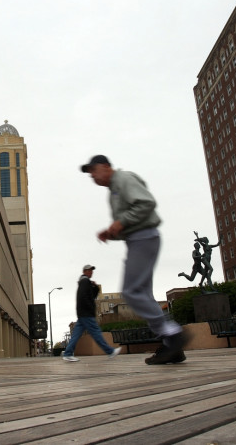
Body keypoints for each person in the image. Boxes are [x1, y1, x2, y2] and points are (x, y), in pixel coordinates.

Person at [81, 155, 185, 365]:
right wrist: (112, 232)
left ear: (106, 166)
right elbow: (129, 222)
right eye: (89, 172)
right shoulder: (113, 192)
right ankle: (171, 347)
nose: (92, 175)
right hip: (139, 238)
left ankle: (172, 334)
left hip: (144, 237)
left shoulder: (123, 179)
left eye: (94, 169)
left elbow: (146, 203)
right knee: (143, 293)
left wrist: (121, 222)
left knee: (132, 291)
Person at [61, 264, 121, 362]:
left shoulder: (85, 282)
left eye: (92, 271)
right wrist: (89, 308)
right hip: (86, 313)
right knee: (96, 332)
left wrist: (95, 287)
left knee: (76, 334)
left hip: (82, 313)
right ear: (84, 271)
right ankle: (110, 351)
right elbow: (83, 297)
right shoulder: (84, 281)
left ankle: (67, 353)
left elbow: (92, 295)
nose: (91, 272)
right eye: (89, 270)